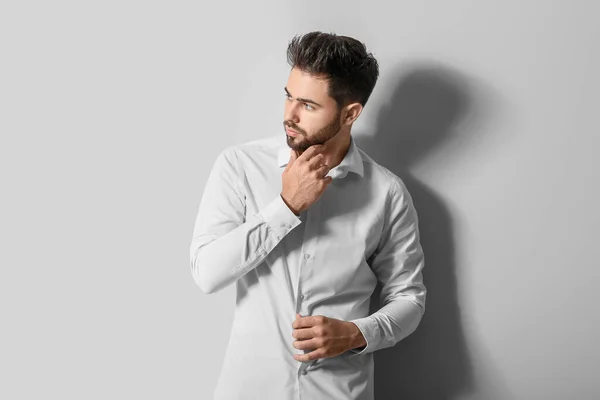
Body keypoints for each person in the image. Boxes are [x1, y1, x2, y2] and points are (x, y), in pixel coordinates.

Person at [189, 31, 426, 400]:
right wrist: (286, 206)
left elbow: (409, 298)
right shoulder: (240, 166)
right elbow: (207, 273)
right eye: (288, 97)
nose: (290, 115)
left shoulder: (387, 193)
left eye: (308, 105)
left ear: (351, 113)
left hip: (339, 391)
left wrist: (357, 333)